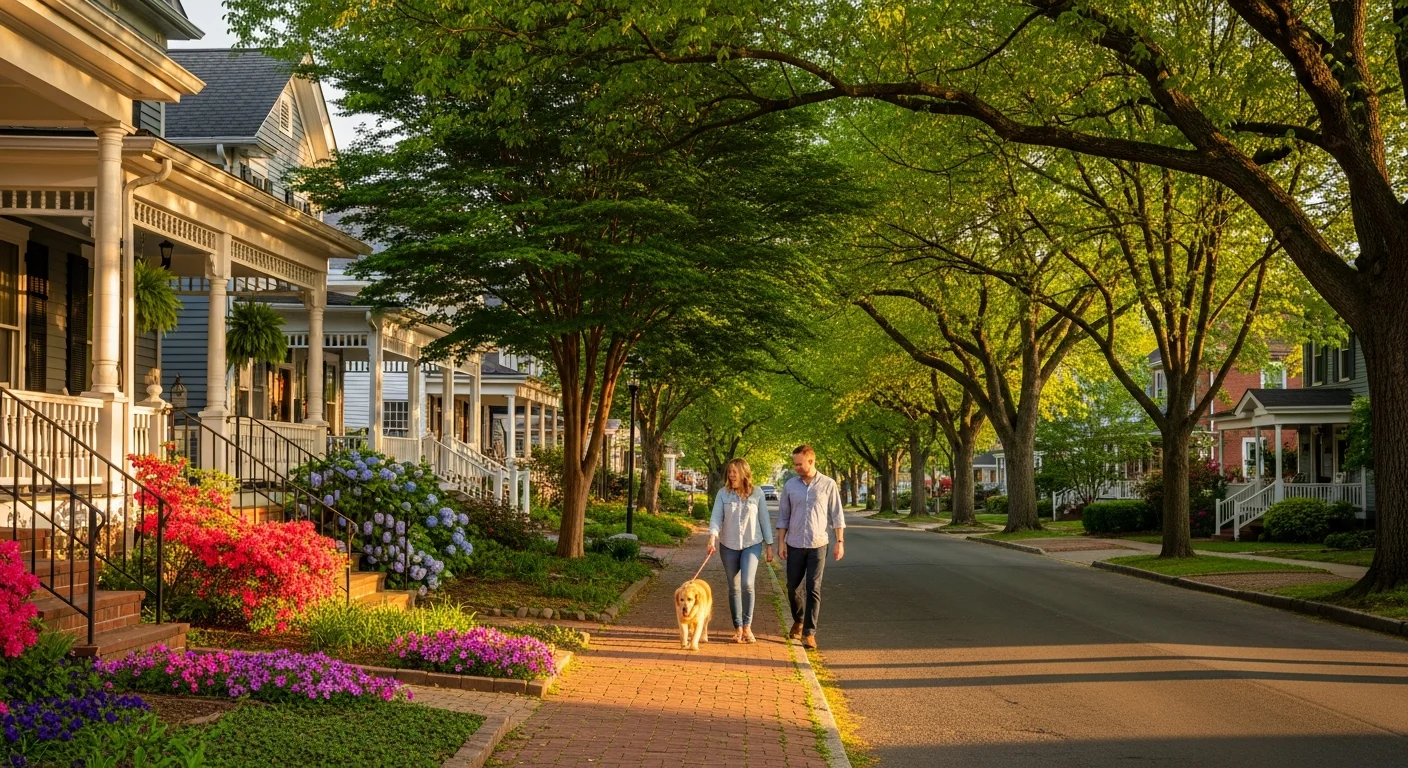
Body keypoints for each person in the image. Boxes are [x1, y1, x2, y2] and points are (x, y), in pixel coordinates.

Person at [776, 445, 845, 649]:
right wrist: (781, 542)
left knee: (813, 588)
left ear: (811, 461)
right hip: (795, 543)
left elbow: (837, 515)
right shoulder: (790, 486)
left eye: (799, 464)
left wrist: (839, 542)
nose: (796, 467)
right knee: (792, 588)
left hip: (818, 544)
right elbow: (783, 517)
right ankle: (798, 619)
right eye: (794, 464)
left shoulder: (828, 484)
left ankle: (809, 632)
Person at [707, 457, 774, 643]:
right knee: (734, 587)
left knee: (747, 584)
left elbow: (764, 521)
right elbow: (715, 518)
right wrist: (712, 537)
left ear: (744, 473)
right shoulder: (723, 493)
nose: (731, 475)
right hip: (728, 544)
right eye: (729, 472)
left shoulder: (757, 493)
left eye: (734, 472)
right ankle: (737, 628)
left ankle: (747, 626)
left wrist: (769, 546)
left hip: (752, 543)